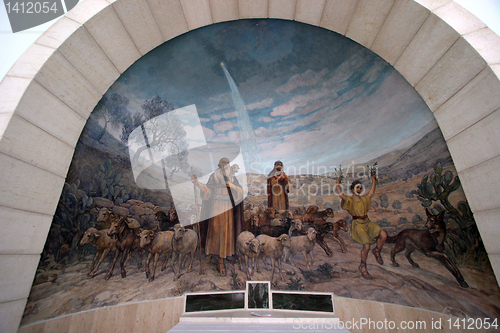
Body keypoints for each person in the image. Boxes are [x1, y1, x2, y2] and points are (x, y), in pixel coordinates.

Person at [191, 158, 244, 275]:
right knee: (215, 229)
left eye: (227, 163)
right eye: (223, 163)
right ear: (220, 165)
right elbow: (207, 190)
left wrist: (232, 186)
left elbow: (240, 191)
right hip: (215, 207)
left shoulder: (232, 177)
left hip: (227, 208)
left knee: (226, 231)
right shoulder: (214, 177)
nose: (225, 165)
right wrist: (197, 183)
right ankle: (212, 253)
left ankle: (222, 258)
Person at [336, 175, 387, 279]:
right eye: (357, 187)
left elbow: (371, 193)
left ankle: (377, 250)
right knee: (366, 245)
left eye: (360, 187)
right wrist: (337, 184)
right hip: (357, 224)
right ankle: (363, 266)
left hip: (367, 222)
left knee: (383, 234)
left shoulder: (364, 199)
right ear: (352, 189)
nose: (359, 189)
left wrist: (374, 182)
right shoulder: (350, 201)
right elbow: (341, 194)